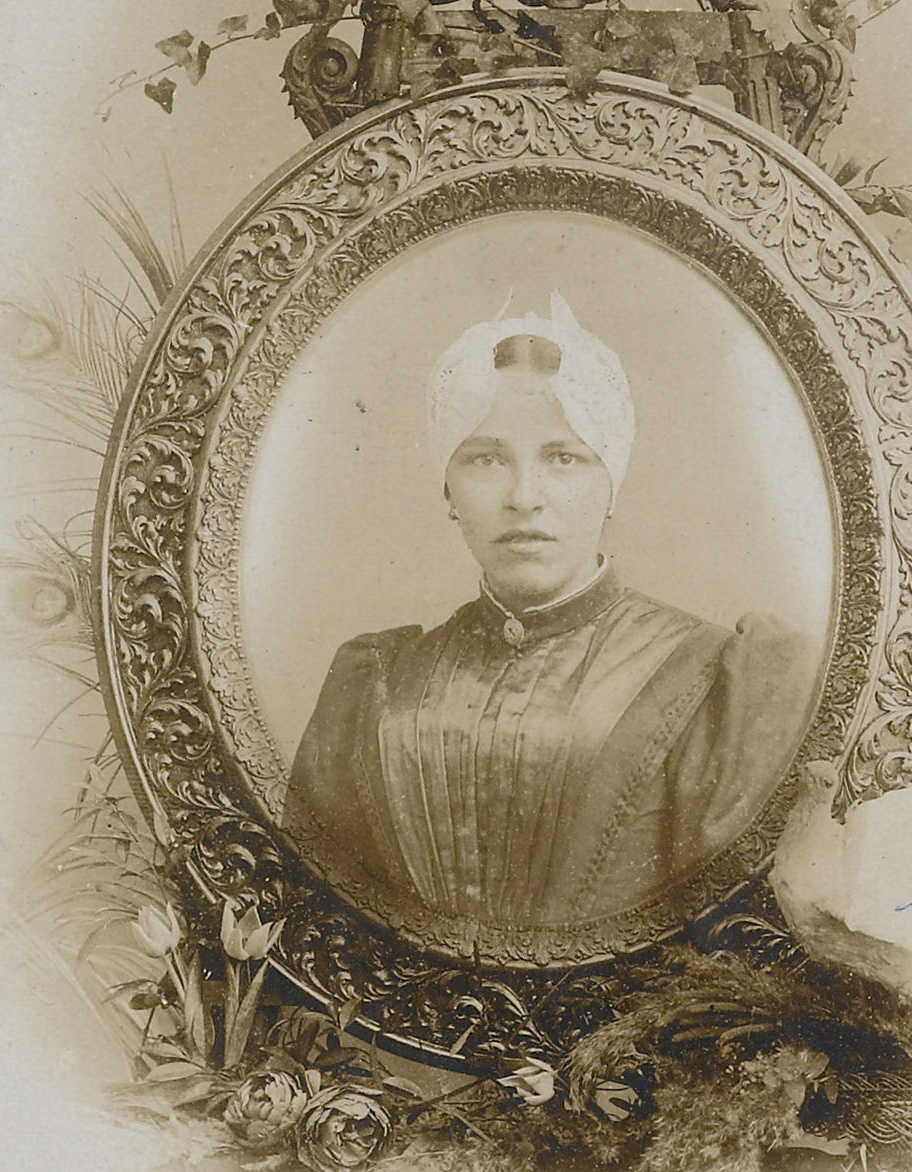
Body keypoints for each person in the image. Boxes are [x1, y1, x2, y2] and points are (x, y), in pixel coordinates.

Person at [284, 295, 819, 956]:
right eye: (486, 458)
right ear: (447, 489)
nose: (523, 496)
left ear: (612, 482)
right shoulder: (376, 684)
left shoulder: (717, 679)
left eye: (563, 457)